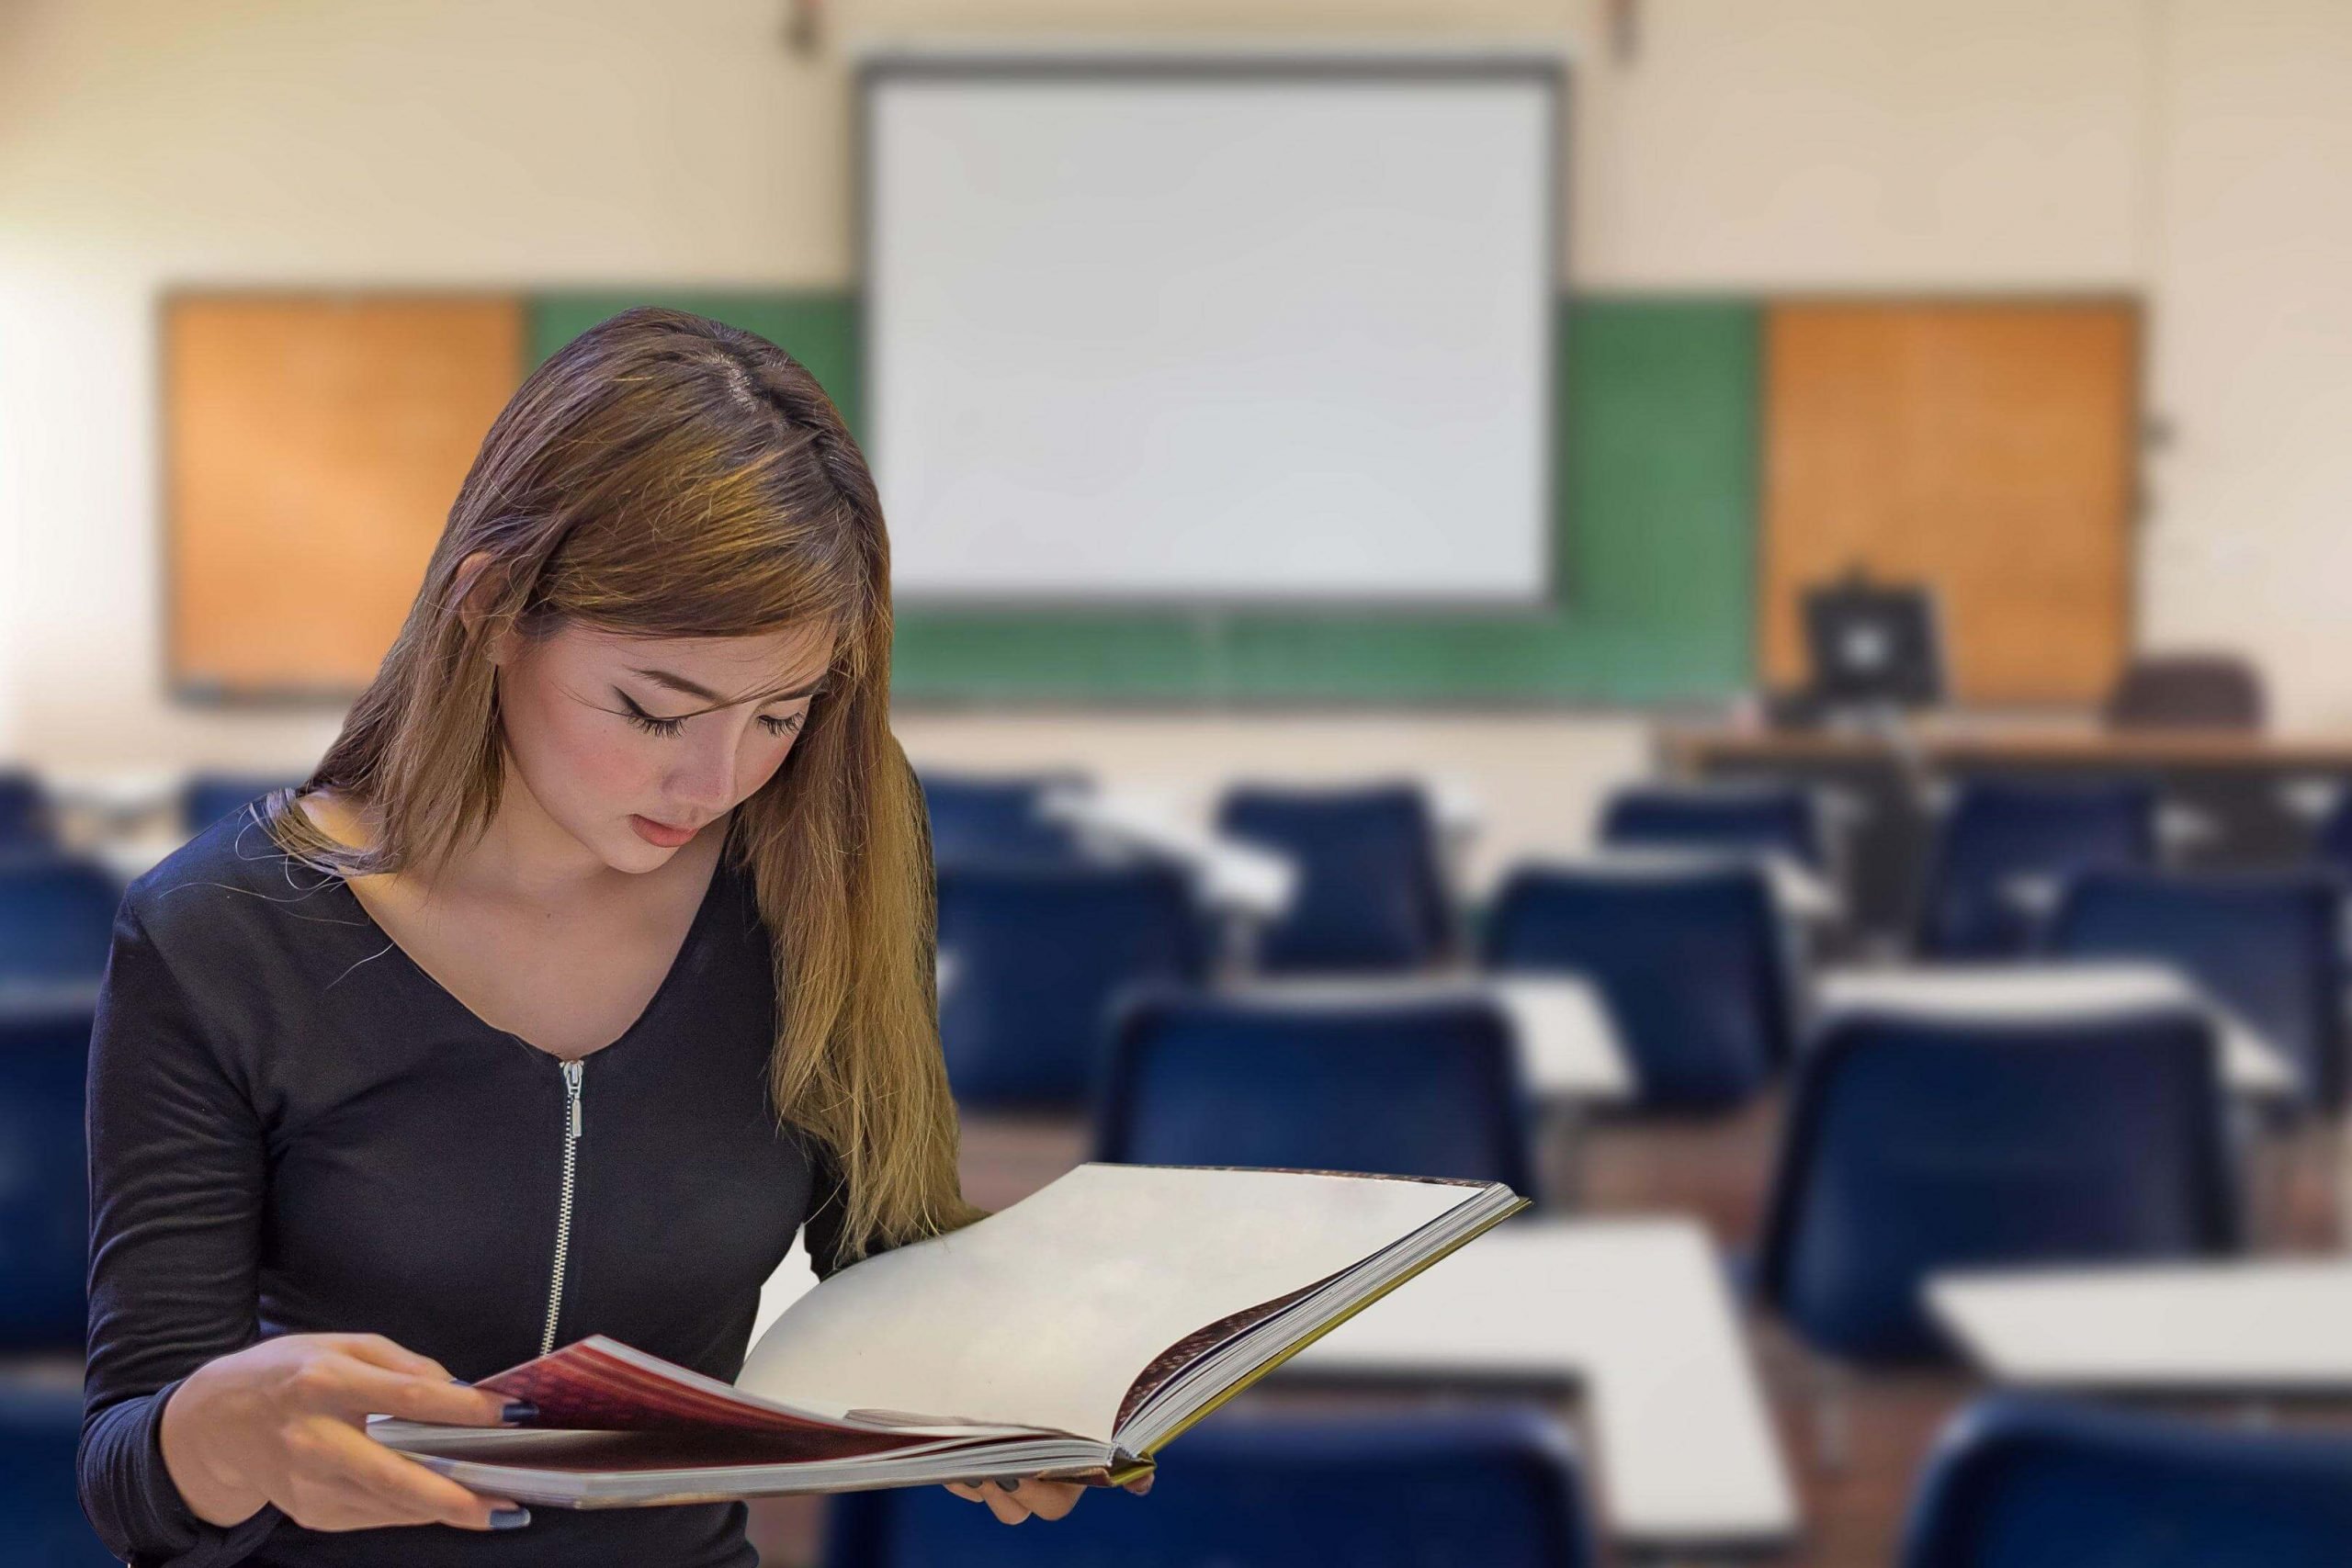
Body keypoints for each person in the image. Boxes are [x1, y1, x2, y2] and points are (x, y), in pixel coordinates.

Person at [79, 306, 1147, 1566]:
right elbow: (131, 1477)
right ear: (488, 604)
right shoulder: (218, 934)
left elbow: (879, 1251)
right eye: (653, 710)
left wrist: (1005, 1380)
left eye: (780, 713)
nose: (715, 780)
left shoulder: (831, 844)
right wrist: (219, 1436)